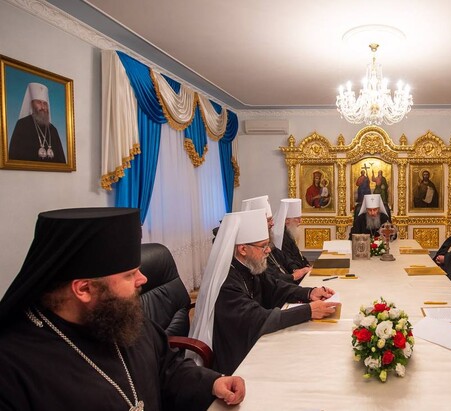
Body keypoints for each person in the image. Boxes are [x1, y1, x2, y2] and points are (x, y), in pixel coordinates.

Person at [0, 208, 245, 410]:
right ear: (83, 289)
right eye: (130, 275)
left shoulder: (120, 318)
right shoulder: (12, 366)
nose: (143, 279)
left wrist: (212, 383)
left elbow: (167, 369)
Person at [190, 208, 339, 375]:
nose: (269, 250)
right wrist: (309, 311)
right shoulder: (226, 282)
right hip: (237, 354)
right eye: (263, 246)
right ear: (243, 249)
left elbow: (275, 287)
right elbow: (257, 319)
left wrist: (309, 292)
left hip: (254, 336)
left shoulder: (250, 266)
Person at [8, 82, 66, 163]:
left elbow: (62, 161)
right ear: (32, 104)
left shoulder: (53, 130)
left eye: (45, 104)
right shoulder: (22, 125)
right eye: (38, 102)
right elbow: (13, 156)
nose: (42, 107)